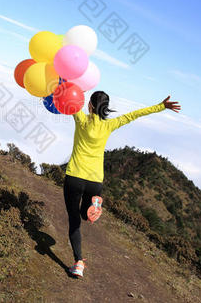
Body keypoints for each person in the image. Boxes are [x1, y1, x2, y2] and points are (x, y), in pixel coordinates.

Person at [64, 91, 181, 278]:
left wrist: (66, 84)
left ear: (90, 106)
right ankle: (93, 207)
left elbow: (66, 97)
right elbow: (134, 114)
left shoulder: (80, 119)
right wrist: (161, 106)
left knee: (74, 220)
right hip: (95, 182)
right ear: (105, 107)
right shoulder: (110, 125)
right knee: (85, 215)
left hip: (75, 177)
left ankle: (78, 262)